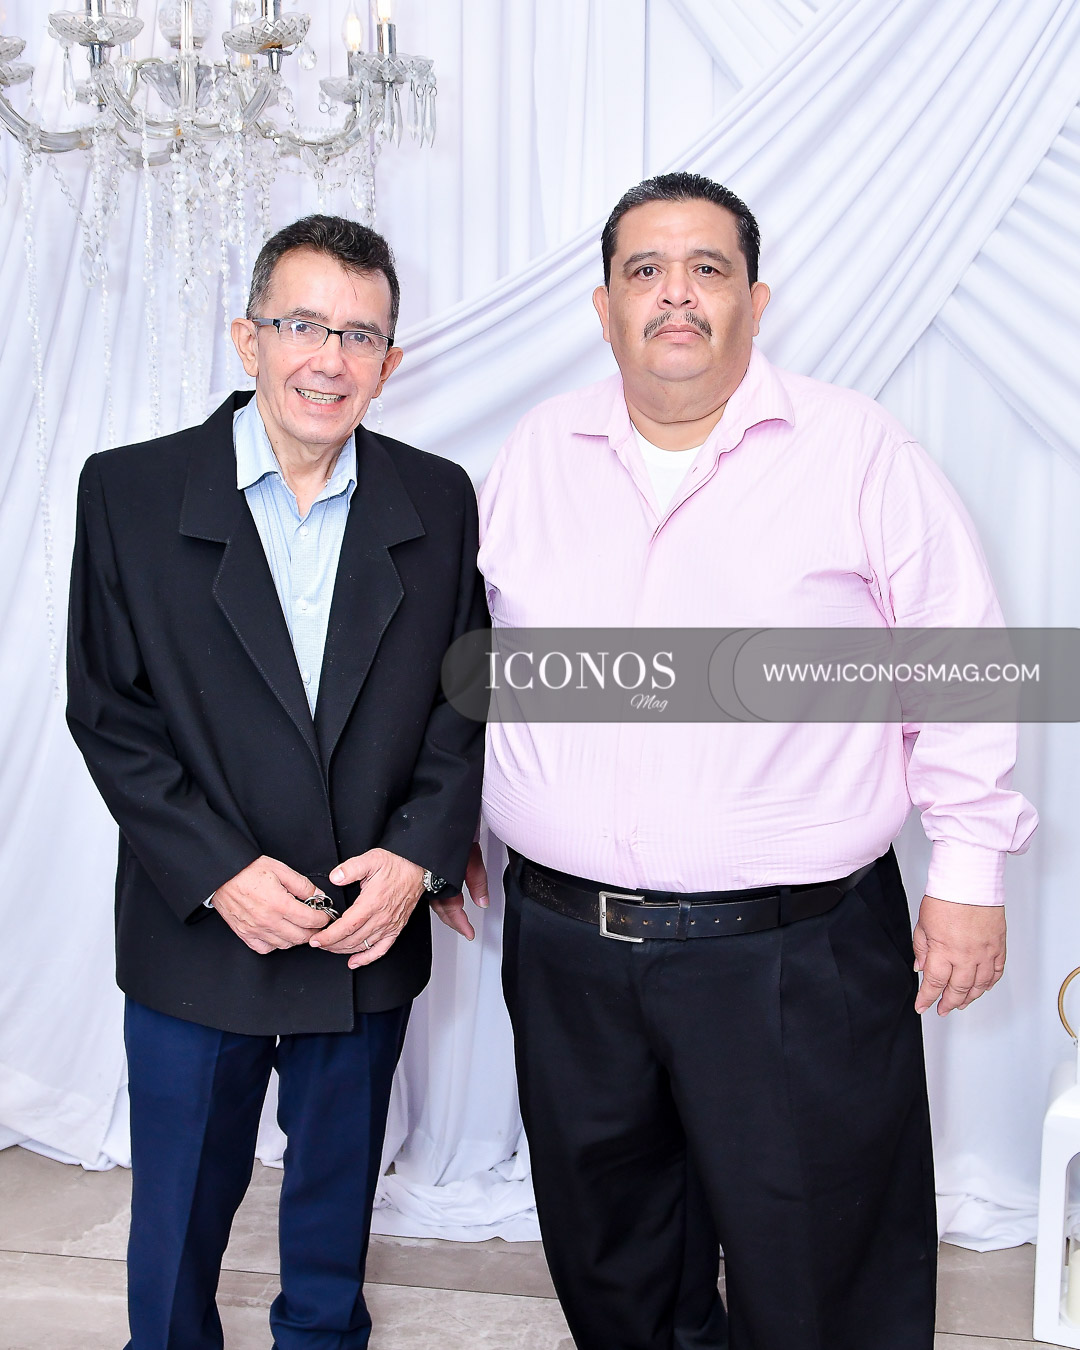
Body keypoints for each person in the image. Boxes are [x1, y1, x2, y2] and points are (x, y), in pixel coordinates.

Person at [434, 174, 1038, 1350]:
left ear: (755, 302)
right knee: (615, 1265)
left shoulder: (860, 450)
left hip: (795, 956)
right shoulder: (539, 451)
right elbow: (478, 655)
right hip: (567, 949)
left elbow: (959, 662)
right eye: (645, 271)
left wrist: (969, 876)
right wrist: (446, 817)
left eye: (706, 269)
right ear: (604, 308)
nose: (676, 294)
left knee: (822, 1273)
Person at [67, 214, 487, 1350]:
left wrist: (418, 857)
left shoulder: (439, 497)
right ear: (246, 337)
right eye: (302, 324)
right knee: (179, 1212)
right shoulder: (129, 491)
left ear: (391, 363)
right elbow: (109, 713)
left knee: (337, 1202)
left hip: (364, 915)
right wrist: (219, 872)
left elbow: (466, 697)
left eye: (360, 335)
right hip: (200, 923)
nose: (329, 359)